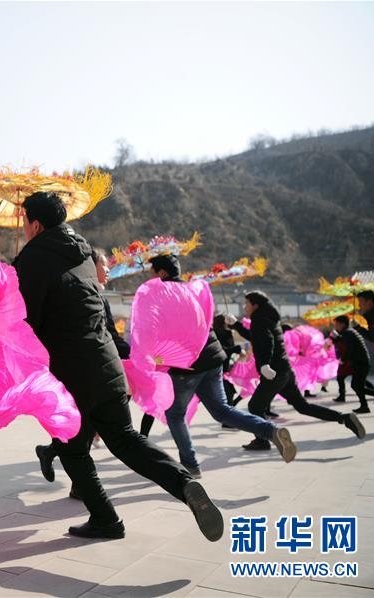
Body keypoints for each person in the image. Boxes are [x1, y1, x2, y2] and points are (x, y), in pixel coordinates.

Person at [14, 192, 223, 543]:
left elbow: (26, 319)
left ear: (34, 224)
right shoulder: (83, 252)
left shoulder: (33, 258)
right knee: (125, 439)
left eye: (24, 221)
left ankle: (106, 519)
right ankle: (183, 482)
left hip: (72, 370)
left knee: (71, 447)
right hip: (106, 363)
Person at [137, 255, 297, 476]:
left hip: (187, 366)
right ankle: (270, 430)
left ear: (162, 273)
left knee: (175, 415)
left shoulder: (163, 296)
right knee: (222, 411)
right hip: (213, 359)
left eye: (152, 273)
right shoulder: (193, 290)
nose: (151, 278)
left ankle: (190, 465)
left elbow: (157, 330)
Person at [35, 246, 130, 494]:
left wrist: (129, 354)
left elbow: (109, 334)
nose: (107, 269)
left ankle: (59, 461)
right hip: (80, 370)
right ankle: (75, 479)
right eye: (103, 264)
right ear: (90, 266)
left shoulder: (99, 296)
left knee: (84, 428)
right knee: (84, 427)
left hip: (97, 370)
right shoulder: (77, 294)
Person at [227, 291, 365, 449]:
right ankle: (344, 418)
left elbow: (268, 341)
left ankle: (263, 440)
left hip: (273, 372)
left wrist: (264, 364)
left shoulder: (259, 320)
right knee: (302, 406)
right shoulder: (268, 318)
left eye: (246, 303)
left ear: (255, 305)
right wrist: (236, 325)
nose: (244, 306)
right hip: (285, 370)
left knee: (255, 406)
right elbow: (256, 337)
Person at [332, 315, 374, 413]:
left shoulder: (348, 333)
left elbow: (350, 349)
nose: (335, 326)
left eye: (337, 324)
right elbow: (346, 343)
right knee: (357, 386)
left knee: (356, 385)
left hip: (360, 362)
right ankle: (365, 406)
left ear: (342, 324)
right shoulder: (349, 332)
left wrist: (343, 359)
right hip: (360, 362)